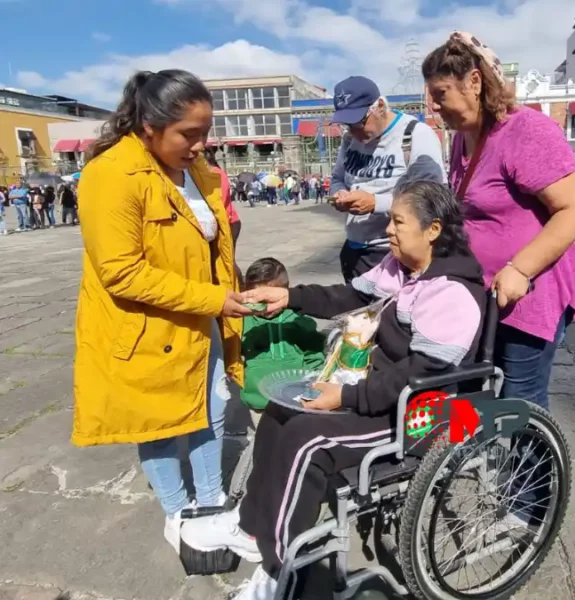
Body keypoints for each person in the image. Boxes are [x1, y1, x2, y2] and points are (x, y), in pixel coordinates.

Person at [181, 180, 486, 600]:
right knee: (281, 409)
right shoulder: (403, 269)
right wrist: (287, 297)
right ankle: (251, 527)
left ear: (433, 230)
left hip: (420, 413)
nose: (389, 230)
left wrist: (345, 397)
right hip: (376, 392)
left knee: (309, 441)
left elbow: (419, 374)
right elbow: (347, 296)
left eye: (398, 222)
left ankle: (279, 569)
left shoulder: (452, 293)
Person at [71, 69, 252, 555]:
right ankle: (179, 511)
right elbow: (121, 272)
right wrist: (213, 299)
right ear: (149, 127)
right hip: (145, 325)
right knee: (158, 421)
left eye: (205, 133)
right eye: (189, 135)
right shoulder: (111, 175)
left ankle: (211, 503)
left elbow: (212, 236)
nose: (200, 145)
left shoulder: (193, 170)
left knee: (211, 410)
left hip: (198, 318)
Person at [422, 31, 575, 411]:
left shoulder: (526, 131)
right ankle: (464, 463)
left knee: (519, 400)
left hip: (528, 293)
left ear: (475, 82)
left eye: (441, 95)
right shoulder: (463, 137)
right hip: (480, 294)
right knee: (467, 392)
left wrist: (520, 268)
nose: (434, 107)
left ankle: (531, 471)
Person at [329, 76, 446, 283]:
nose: (354, 132)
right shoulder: (349, 141)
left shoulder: (416, 135)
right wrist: (338, 193)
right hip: (354, 249)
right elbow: (338, 178)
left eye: (359, 123)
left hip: (394, 253)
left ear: (380, 106)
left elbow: (432, 196)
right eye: (348, 126)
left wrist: (376, 203)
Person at [239, 258, 326, 411]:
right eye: (259, 301)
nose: (266, 307)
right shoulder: (242, 322)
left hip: (296, 400)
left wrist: (313, 390)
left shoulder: (299, 320)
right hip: (258, 401)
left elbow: (315, 356)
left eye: (270, 299)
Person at [205, 149, 241, 245]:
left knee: (226, 258)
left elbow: (222, 198)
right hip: (218, 222)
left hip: (228, 222)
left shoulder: (217, 173)